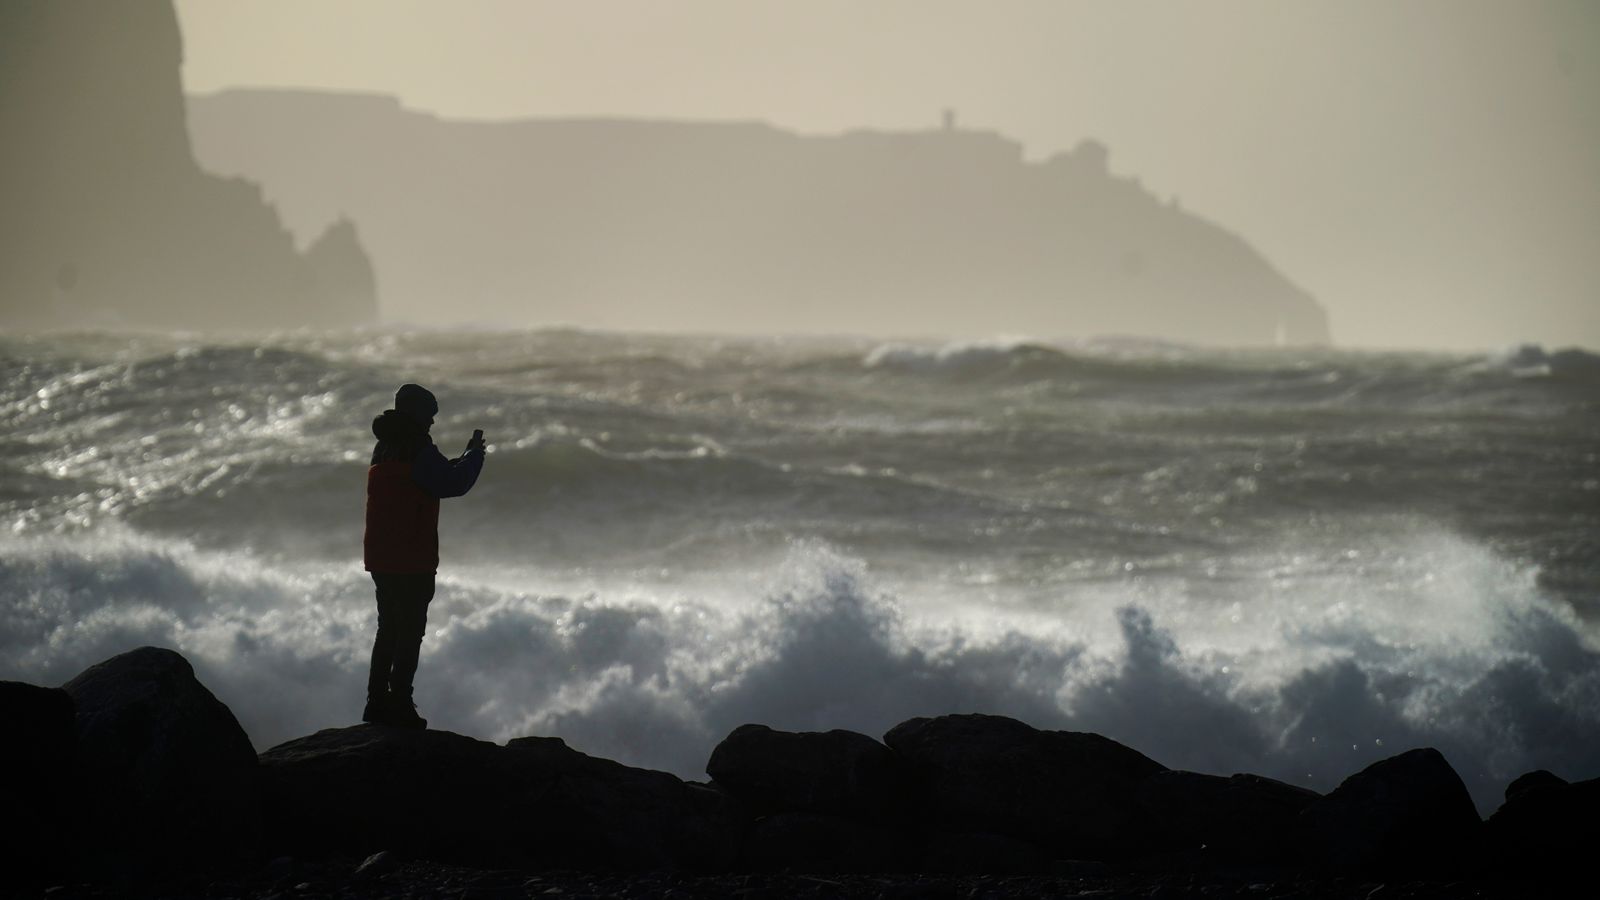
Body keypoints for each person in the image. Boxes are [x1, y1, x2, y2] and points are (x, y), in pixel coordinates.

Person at [362, 383, 485, 728]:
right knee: (410, 631)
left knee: (387, 629)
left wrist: (460, 459)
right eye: (429, 416)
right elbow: (452, 484)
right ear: (417, 415)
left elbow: (433, 476)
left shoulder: (383, 446)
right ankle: (400, 703)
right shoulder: (418, 447)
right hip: (411, 558)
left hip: (382, 556)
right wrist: (475, 456)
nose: (432, 423)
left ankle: (376, 703)